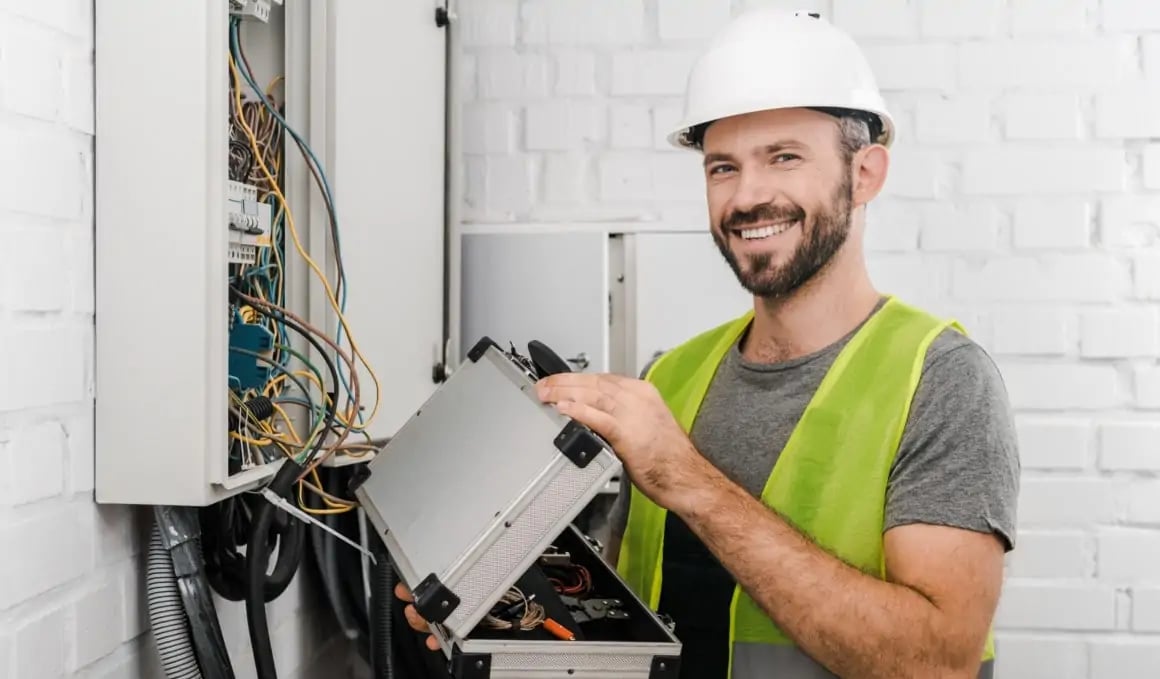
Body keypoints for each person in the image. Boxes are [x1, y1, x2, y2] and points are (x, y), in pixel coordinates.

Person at [398, 7, 1020, 679]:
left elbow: (936, 661)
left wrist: (686, 478)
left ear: (866, 173)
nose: (748, 195)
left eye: (784, 157)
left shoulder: (940, 380)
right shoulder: (672, 374)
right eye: (723, 167)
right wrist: (507, 605)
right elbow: (635, 621)